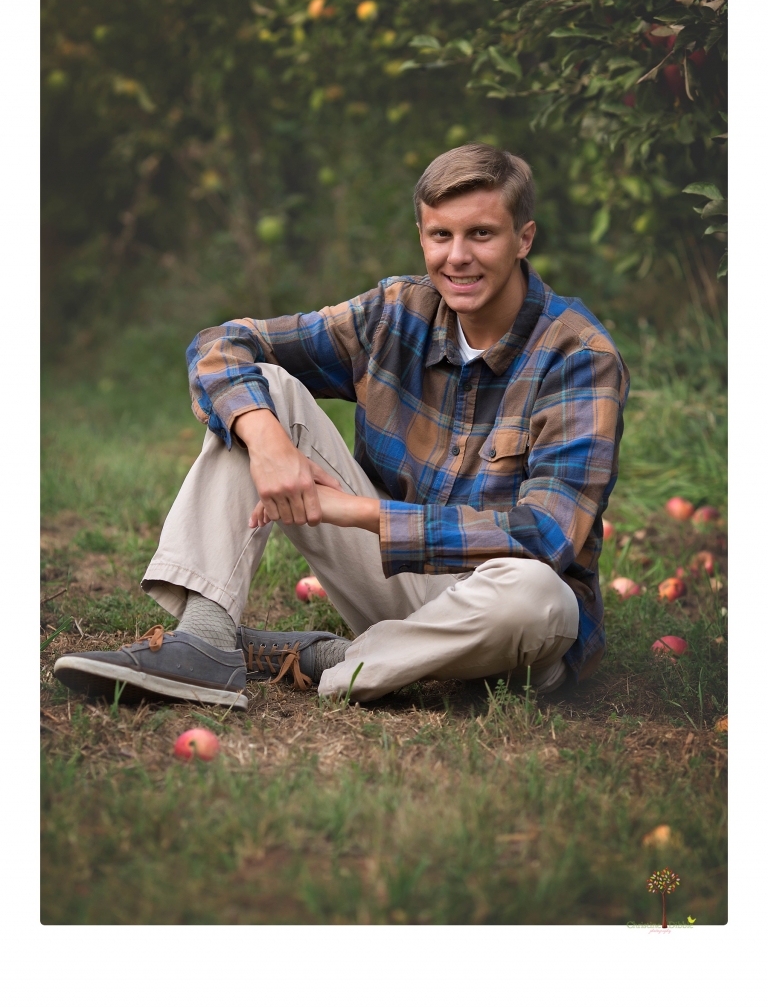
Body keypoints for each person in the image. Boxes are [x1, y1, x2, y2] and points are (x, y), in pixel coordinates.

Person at [54, 144, 629, 712]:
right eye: (440, 235)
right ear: (422, 236)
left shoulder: (580, 356)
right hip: (396, 578)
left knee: (538, 597)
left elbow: (544, 535)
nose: (458, 257)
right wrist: (268, 442)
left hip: (504, 612)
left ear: (523, 239)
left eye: (481, 234)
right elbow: (221, 344)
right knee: (261, 393)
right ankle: (204, 641)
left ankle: (330, 659)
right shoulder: (394, 313)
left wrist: (359, 512)